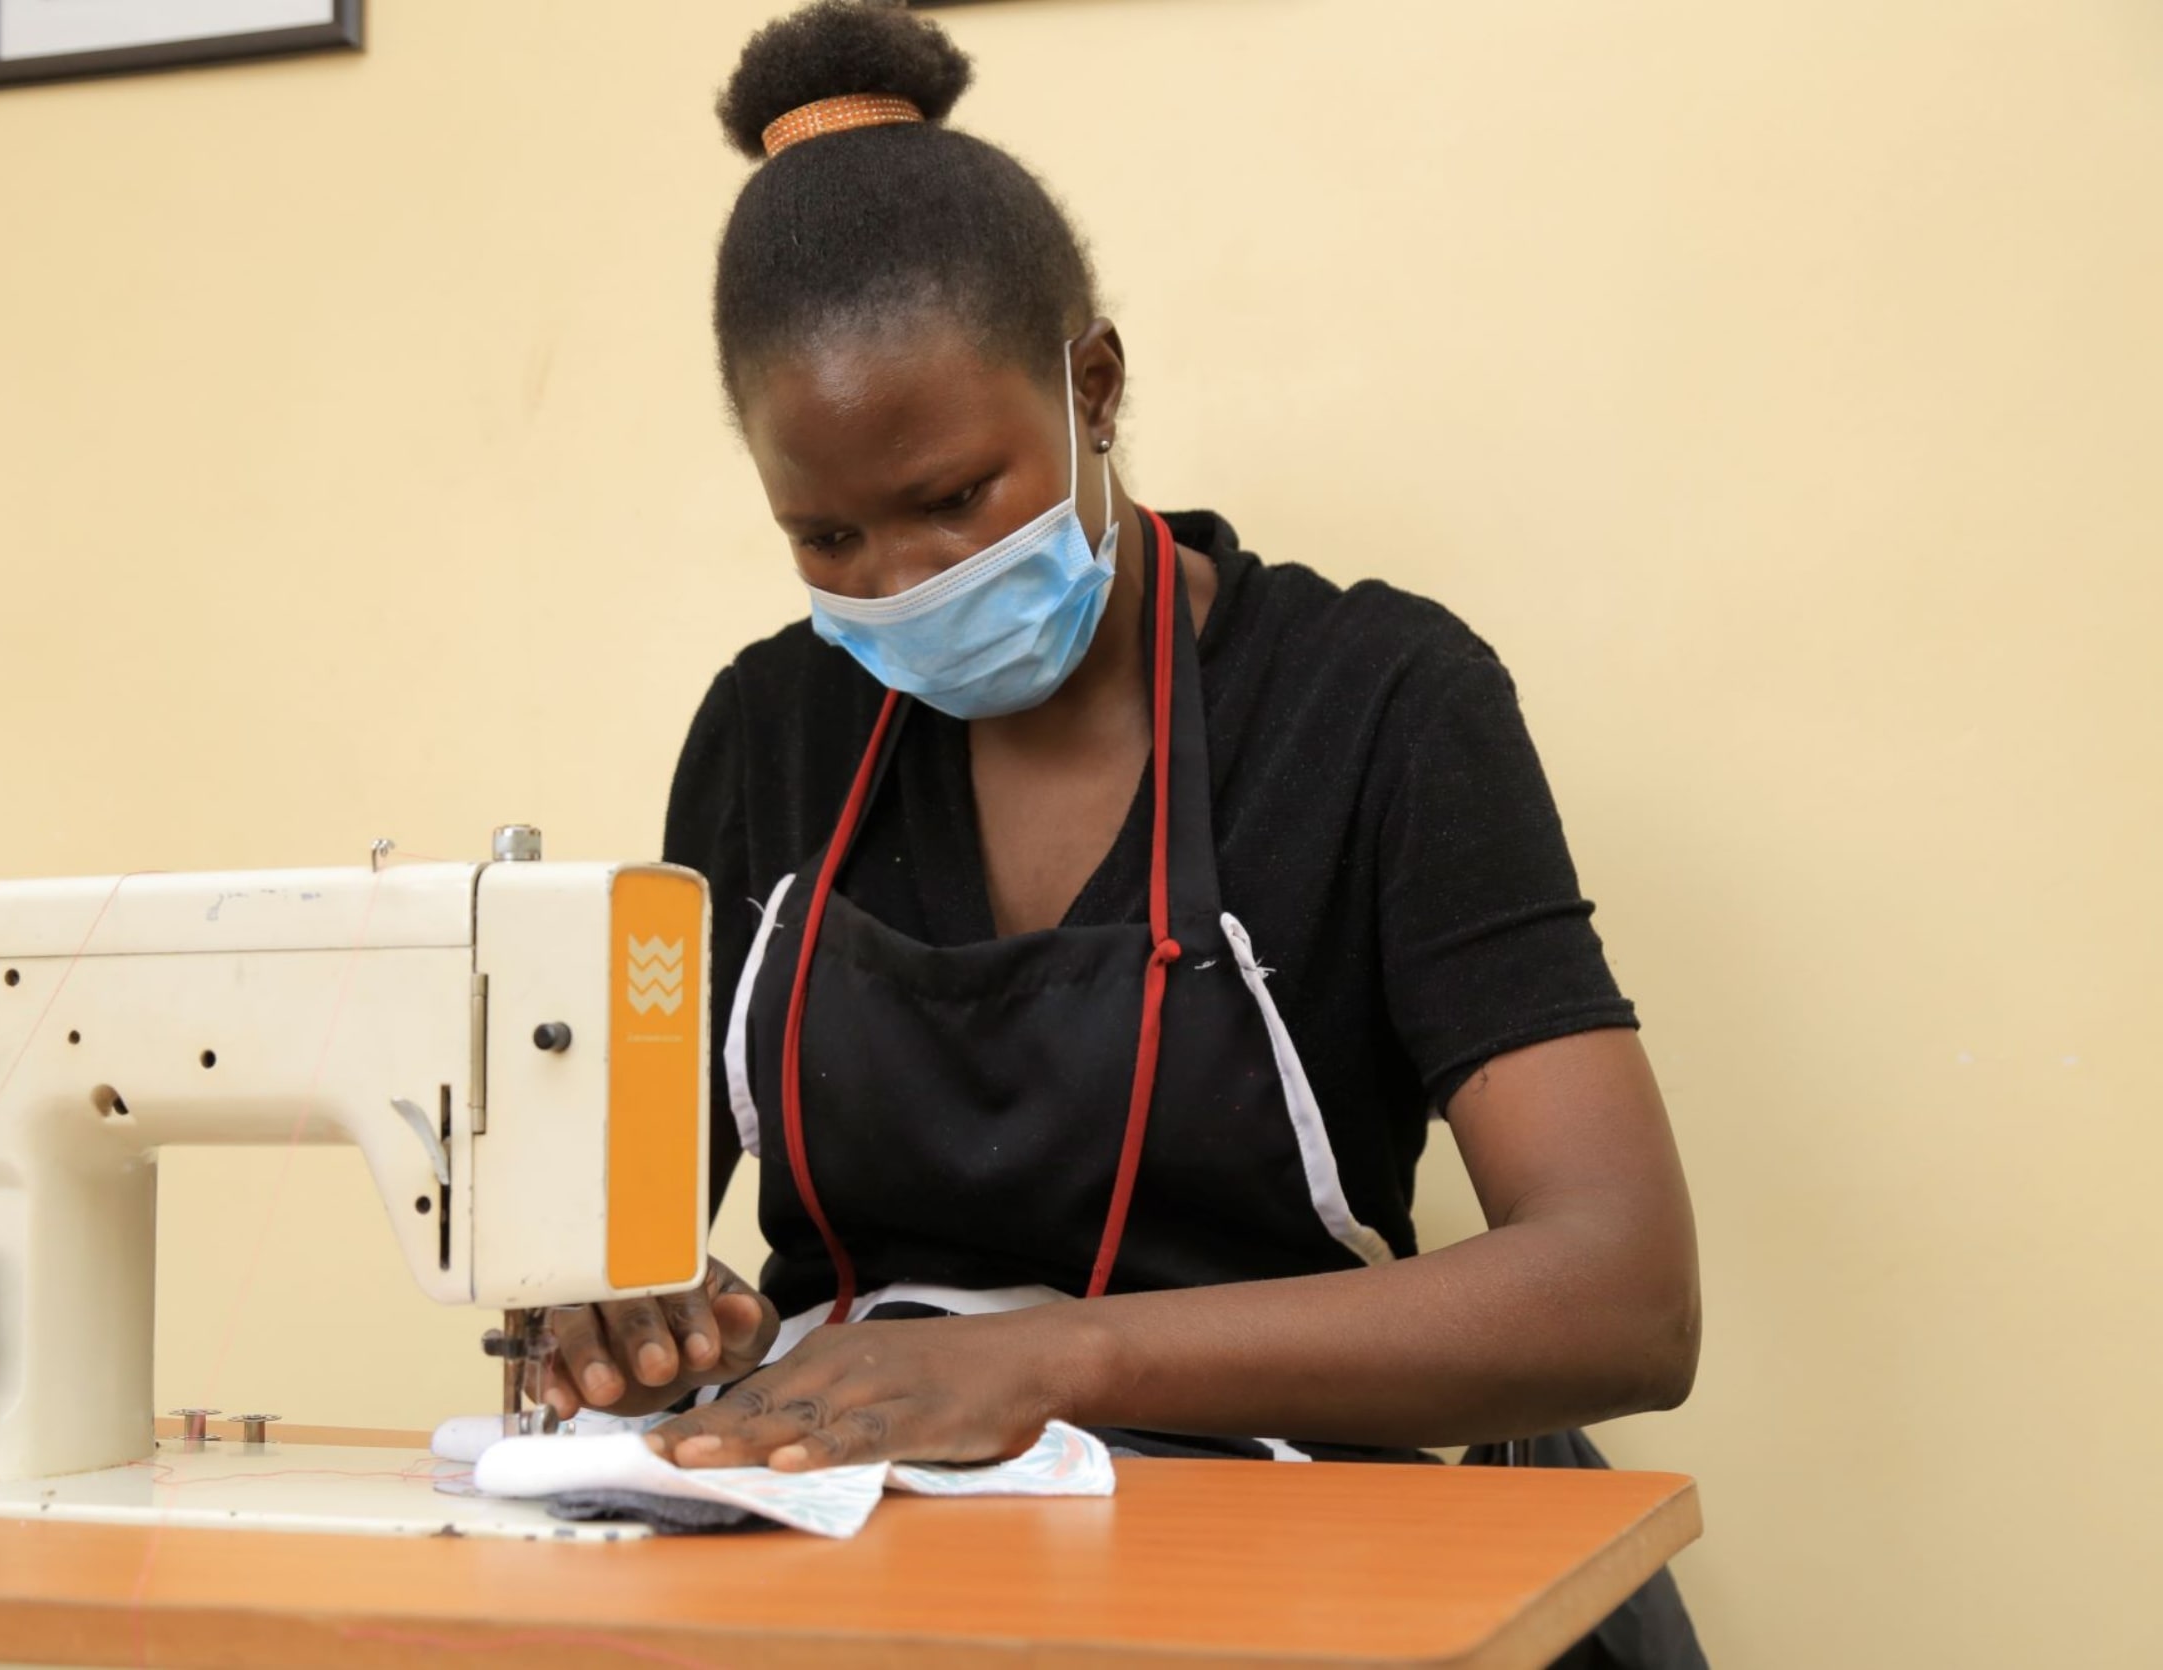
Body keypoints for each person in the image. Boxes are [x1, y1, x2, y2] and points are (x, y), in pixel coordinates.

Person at [549, 5, 1704, 1661]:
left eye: (955, 499)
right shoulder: (768, 729)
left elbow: (1625, 1286)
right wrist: (615, 1309)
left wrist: (1041, 1362)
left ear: (1093, 383)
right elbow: (624, 1223)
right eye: (828, 532)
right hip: (875, 1566)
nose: (899, 583)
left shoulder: (1376, 703)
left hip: (1287, 1556)